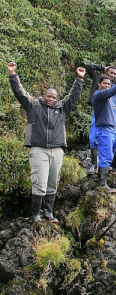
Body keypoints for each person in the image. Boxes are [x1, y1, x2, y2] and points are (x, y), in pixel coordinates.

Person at [7, 61, 85, 222]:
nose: (51, 99)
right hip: (38, 149)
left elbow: (73, 96)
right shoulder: (33, 106)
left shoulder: (61, 108)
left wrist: (79, 79)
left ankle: (49, 213)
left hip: (57, 149)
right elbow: (19, 93)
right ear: (44, 96)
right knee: (39, 181)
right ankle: (35, 215)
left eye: (54, 97)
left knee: (52, 182)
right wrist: (13, 74)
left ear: (57, 99)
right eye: (49, 96)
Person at [85, 64, 116, 175]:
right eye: (111, 73)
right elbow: (88, 67)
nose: (113, 75)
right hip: (101, 112)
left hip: (114, 113)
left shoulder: (114, 86)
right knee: (94, 137)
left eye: (115, 74)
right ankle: (94, 165)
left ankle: (115, 167)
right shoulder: (100, 83)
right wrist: (103, 68)